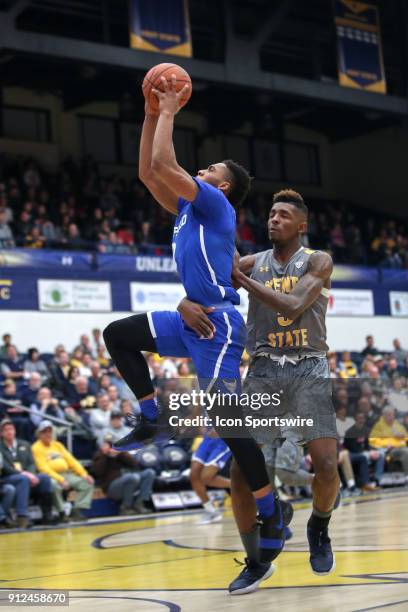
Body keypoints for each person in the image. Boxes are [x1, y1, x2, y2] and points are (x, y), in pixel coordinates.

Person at [103, 75, 289, 572]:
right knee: (118, 336)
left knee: (228, 424)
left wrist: (168, 110)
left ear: (222, 185)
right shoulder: (188, 210)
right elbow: (148, 172)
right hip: (192, 316)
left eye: (208, 168)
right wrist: (147, 114)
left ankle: (274, 511)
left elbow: (166, 162)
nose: (201, 170)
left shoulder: (215, 203)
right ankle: (148, 416)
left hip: (219, 322)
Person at [179, 189, 340, 593]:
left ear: (301, 225)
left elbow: (292, 305)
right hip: (265, 369)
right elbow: (208, 281)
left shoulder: (317, 260)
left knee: (325, 466)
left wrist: (244, 281)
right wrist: (185, 300)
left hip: (308, 365)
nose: (274, 220)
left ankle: (319, 527)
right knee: (240, 471)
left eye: (283, 215)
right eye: (271, 214)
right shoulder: (252, 261)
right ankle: (256, 560)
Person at [32, 420, 95, 521]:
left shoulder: (58, 445)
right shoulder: (36, 447)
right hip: (50, 476)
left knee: (86, 483)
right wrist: (61, 480)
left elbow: (72, 461)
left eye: (50, 431)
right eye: (45, 432)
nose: (48, 434)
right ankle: (62, 513)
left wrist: (84, 474)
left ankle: (77, 510)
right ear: (39, 434)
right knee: (54, 485)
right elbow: (43, 468)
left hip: (66, 474)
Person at [0, 419, 54, 524]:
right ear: (1, 433)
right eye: (6, 430)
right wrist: (24, 474)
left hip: (27, 476)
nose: (9, 432)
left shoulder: (25, 444)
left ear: (15, 430)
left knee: (45, 478)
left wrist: (31, 474)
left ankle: (47, 514)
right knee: (22, 479)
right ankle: (22, 515)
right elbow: (5, 467)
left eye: (11, 429)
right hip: (8, 477)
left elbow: (31, 463)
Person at [91, 434, 155, 515]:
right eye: (108, 444)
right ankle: (125, 507)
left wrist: (121, 453)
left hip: (129, 481)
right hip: (111, 487)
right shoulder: (99, 455)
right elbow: (98, 473)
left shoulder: (121, 454)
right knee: (132, 477)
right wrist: (105, 455)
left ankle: (139, 503)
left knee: (149, 473)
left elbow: (135, 465)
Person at [190, 431, 231, 524]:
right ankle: (211, 511)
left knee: (206, 478)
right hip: (207, 439)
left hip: (222, 441)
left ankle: (240, 487)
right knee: (194, 475)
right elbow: (198, 416)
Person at [344, 412, 385, 487]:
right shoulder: (350, 432)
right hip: (353, 453)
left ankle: (377, 479)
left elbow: (367, 445)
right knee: (364, 457)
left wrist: (371, 451)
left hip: (365, 452)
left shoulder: (366, 430)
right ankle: (366, 482)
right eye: (359, 418)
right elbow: (352, 448)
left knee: (380, 455)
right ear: (355, 420)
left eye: (362, 418)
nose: (361, 420)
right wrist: (368, 453)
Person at [369, 406, 408, 474]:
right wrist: (386, 444)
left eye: (392, 414)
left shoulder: (398, 425)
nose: (391, 417)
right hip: (387, 451)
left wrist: (403, 436)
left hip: (400, 447)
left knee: (405, 450)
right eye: (389, 415)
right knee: (406, 452)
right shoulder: (378, 426)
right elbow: (372, 440)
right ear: (384, 415)